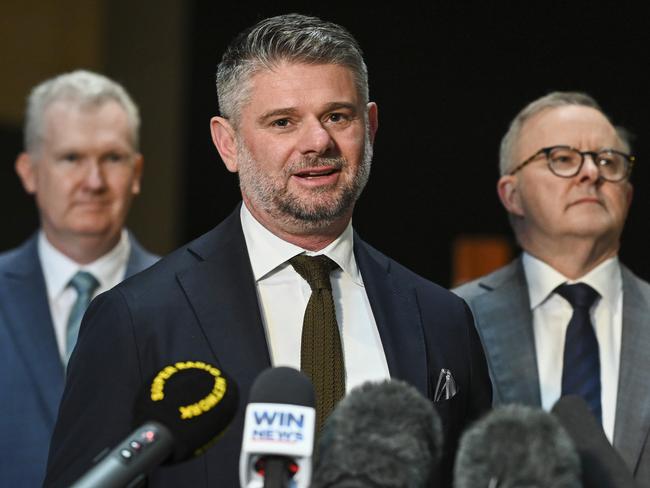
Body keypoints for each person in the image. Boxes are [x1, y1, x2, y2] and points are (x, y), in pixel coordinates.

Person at [45, 15, 491, 487]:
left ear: (371, 127)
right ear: (228, 143)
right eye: (283, 122)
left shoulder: (442, 319)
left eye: (338, 116)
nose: (318, 141)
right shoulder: (137, 318)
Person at [454, 91, 650, 486]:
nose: (591, 173)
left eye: (608, 161)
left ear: (627, 197)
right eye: (562, 158)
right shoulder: (452, 318)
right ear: (512, 194)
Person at [0, 70, 158, 487]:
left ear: (137, 172)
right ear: (29, 172)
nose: (94, 182)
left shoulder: (187, 297)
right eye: (71, 158)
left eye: (112, 158)